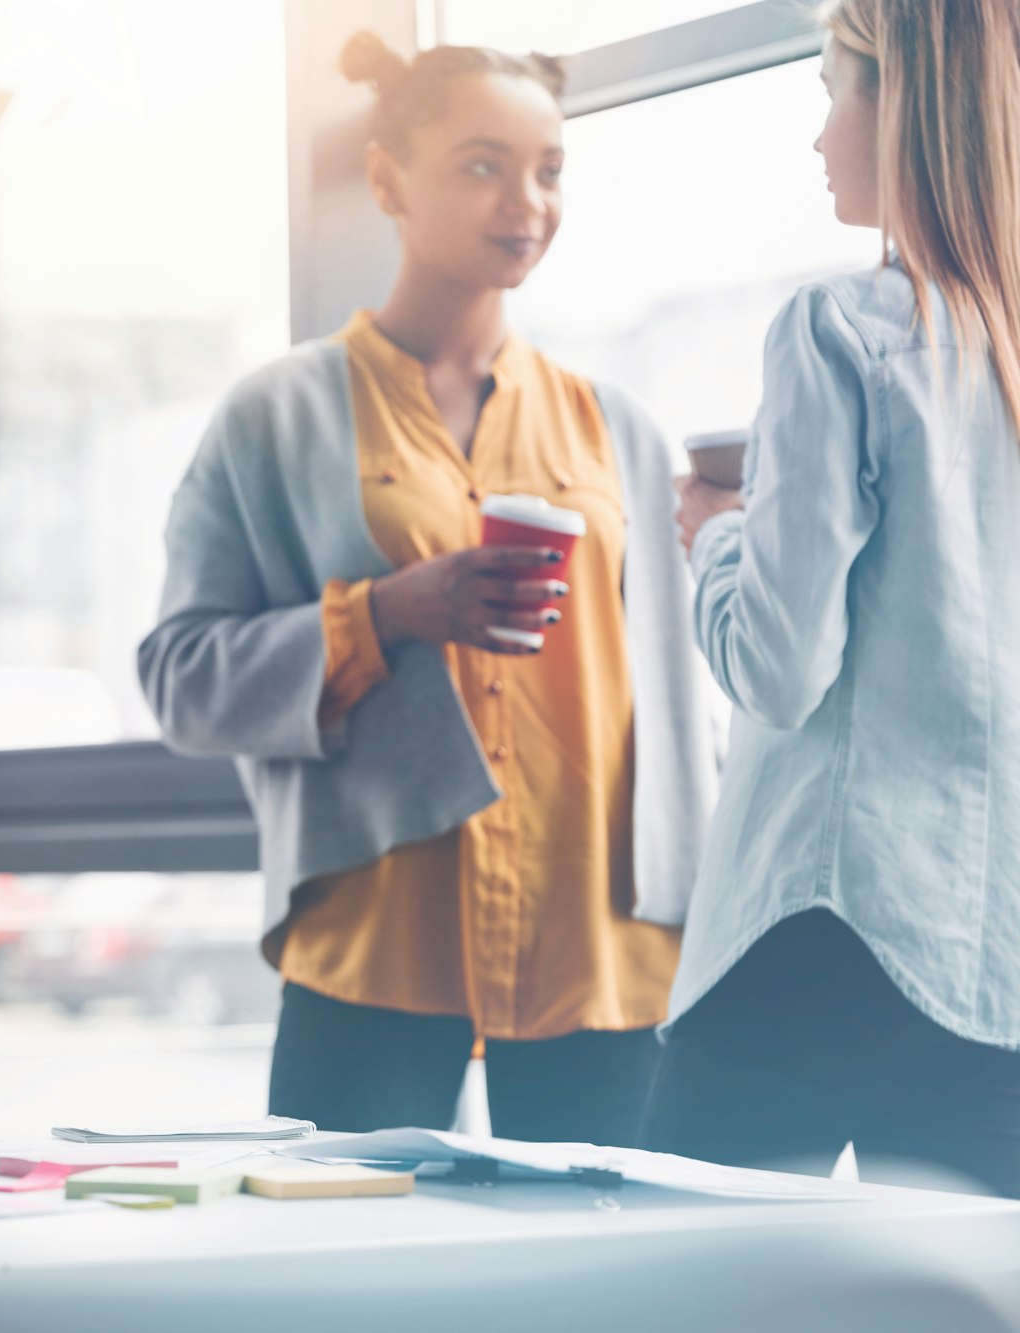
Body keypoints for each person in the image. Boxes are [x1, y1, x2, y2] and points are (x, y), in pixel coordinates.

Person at [137, 32, 717, 1144]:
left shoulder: (618, 428)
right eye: (481, 165)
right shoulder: (276, 415)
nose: (526, 202)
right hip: (373, 935)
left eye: (549, 169)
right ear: (386, 179)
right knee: (337, 1284)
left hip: (603, 946)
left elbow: (689, 709)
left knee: (606, 1303)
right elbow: (179, 680)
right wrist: (387, 613)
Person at [647, 0, 1020, 1195]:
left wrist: (715, 538)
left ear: (898, 102)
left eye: (828, 91)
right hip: (991, 953)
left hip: (820, 920)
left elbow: (775, 665)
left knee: (671, 1293)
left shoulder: (840, 333)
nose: (817, 134)